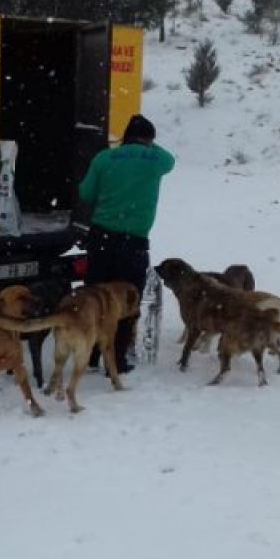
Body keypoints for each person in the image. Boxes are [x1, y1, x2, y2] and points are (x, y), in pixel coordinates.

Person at [77, 114, 176, 373]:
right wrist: (146, 148)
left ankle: (91, 354)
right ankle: (117, 360)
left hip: (101, 239)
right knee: (128, 302)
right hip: (134, 243)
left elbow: (85, 193)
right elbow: (170, 160)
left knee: (96, 298)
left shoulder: (104, 158)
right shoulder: (157, 159)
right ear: (149, 140)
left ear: (126, 137)